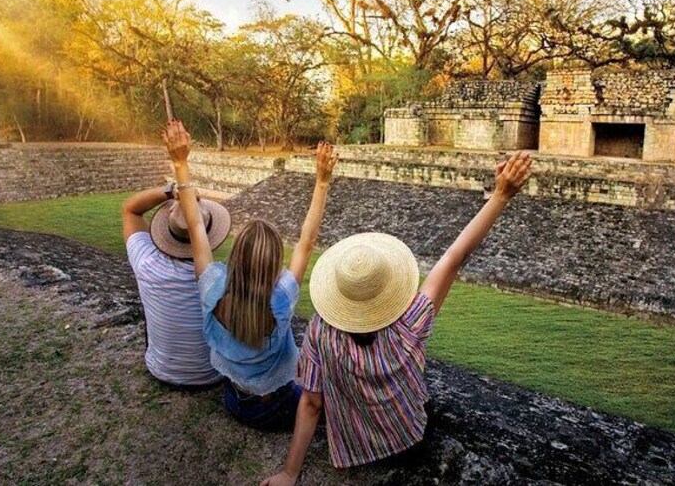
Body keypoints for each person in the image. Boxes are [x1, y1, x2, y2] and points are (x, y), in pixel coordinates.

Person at [262, 151, 533, 485]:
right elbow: (454, 257)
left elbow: (311, 404)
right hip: (409, 439)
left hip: (357, 444)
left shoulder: (320, 331)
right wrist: (501, 195)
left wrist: (290, 472)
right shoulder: (409, 322)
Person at [162, 120, 339, 431]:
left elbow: (194, 228)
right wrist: (322, 183)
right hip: (276, 406)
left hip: (233, 399)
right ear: (274, 266)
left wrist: (180, 162)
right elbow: (307, 242)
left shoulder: (213, 285)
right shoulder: (282, 295)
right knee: (330, 397)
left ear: (236, 256)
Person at [122, 174, 232, 388]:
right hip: (211, 375)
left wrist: (171, 191)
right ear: (209, 234)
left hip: (160, 370)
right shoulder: (223, 279)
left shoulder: (146, 263)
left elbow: (130, 209)